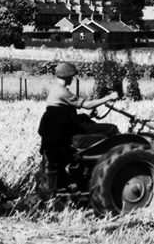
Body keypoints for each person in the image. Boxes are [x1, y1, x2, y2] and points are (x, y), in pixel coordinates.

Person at [37, 62, 117, 199]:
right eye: (72, 77)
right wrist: (109, 98)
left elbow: (66, 113)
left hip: (62, 127)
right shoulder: (62, 92)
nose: (73, 79)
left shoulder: (56, 88)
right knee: (111, 129)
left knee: (93, 124)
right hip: (66, 130)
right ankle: (111, 170)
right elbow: (87, 104)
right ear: (68, 76)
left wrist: (87, 116)